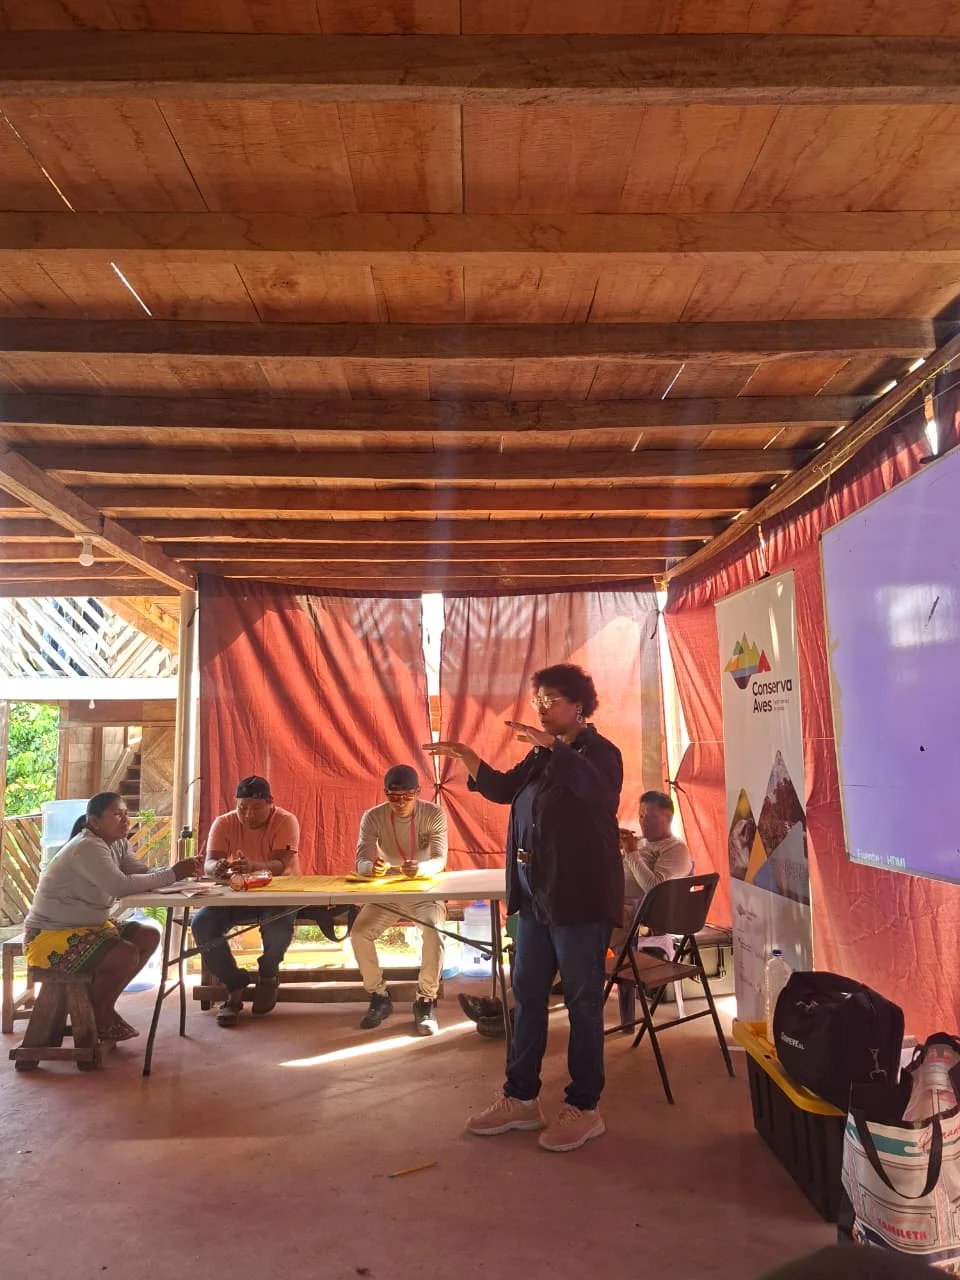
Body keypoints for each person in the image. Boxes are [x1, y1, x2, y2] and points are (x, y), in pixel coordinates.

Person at [425, 663, 623, 1154]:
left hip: (580, 899)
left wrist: (555, 748)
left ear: (578, 705)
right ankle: (521, 1098)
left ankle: (585, 1107)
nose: (540, 707)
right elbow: (502, 790)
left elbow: (599, 794)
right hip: (535, 898)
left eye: (550, 699)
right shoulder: (540, 755)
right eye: (537, 700)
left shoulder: (601, 753)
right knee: (528, 996)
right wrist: (468, 757)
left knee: (582, 1004)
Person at [23, 791, 197, 1043]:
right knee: (124, 953)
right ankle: (99, 1013)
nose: (125, 820)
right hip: (51, 935)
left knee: (148, 936)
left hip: (89, 926)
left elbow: (140, 872)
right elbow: (121, 886)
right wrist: (172, 874)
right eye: (117, 814)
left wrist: (176, 872)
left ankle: (99, 1006)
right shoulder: (87, 846)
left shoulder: (117, 843)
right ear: (94, 822)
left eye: (126, 813)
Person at [191, 776, 300, 1027]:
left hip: (277, 894)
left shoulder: (285, 821)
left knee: (278, 928)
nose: (248, 815)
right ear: (235, 803)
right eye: (242, 808)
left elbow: (281, 865)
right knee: (202, 925)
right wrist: (216, 867)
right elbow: (209, 863)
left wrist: (253, 866)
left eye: (256, 808)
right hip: (236, 894)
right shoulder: (223, 823)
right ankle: (234, 984)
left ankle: (268, 975)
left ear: (270, 804)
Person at [350, 764, 448, 1037]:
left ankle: (425, 999)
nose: (401, 803)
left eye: (407, 797)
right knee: (359, 933)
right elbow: (361, 861)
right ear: (385, 794)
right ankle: (379, 995)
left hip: (424, 891)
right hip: (388, 891)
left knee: (434, 932)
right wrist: (373, 869)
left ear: (418, 792)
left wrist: (422, 868)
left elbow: (440, 859)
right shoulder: (373, 816)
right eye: (394, 797)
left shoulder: (434, 814)